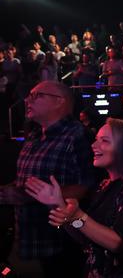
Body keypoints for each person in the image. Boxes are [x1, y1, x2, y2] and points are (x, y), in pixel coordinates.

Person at [24, 118, 123, 278]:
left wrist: (78, 216)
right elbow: (85, 236)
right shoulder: (104, 185)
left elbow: (119, 244)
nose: (93, 146)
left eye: (104, 141)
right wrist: (59, 206)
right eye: (96, 140)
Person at [0, 81, 95, 277]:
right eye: (29, 95)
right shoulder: (34, 135)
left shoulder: (77, 135)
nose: (27, 100)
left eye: (36, 95)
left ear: (59, 101)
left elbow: (86, 187)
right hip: (26, 241)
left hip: (57, 245)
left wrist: (27, 196)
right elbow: (25, 183)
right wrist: (9, 190)